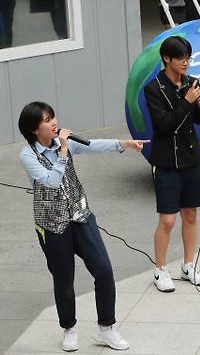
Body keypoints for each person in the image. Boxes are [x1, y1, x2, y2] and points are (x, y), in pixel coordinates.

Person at [18, 102, 147, 351]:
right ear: (34, 129)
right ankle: (69, 329)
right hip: (53, 224)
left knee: (104, 270)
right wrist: (64, 151)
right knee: (64, 279)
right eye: (47, 120)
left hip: (80, 216)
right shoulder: (28, 156)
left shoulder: (62, 142)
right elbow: (52, 181)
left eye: (53, 116)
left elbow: (93, 145)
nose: (54, 122)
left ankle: (106, 329)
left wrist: (124, 145)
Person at [144, 36, 200, 293]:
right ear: (166, 59)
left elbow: (194, 120)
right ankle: (160, 269)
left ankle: (188, 264)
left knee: (191, 214)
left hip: (190, 157)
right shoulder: (153, 89)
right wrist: (188, 102)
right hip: (166, 161)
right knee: (168, 220)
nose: (186, 62)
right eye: (181, 58)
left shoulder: (192, 83)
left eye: (188, 57)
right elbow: (164, 126)